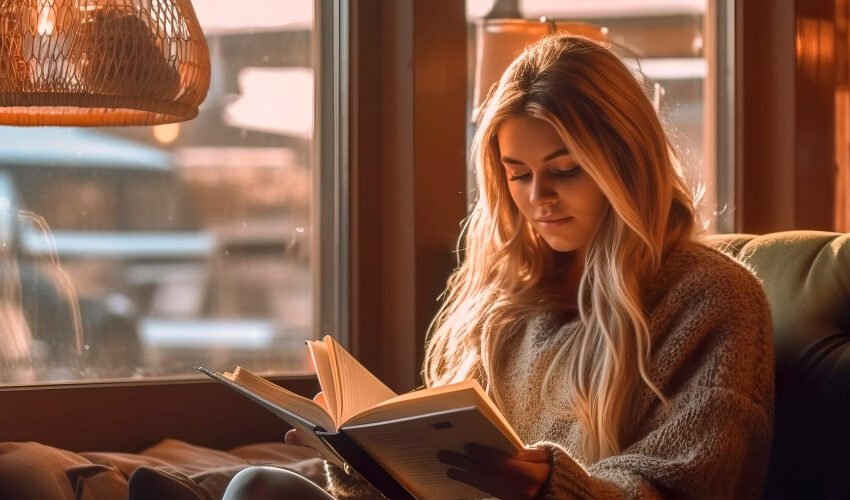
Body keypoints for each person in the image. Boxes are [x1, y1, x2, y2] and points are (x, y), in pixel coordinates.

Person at [224, 33, 774, 499]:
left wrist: (549, 488)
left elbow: (688, 482)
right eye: (518, 174)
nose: (539, 198)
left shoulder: (713, 297)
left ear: (627, 163)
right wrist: (360, 459)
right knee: (259, 487)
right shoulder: (505, 302)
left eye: (565, 170)